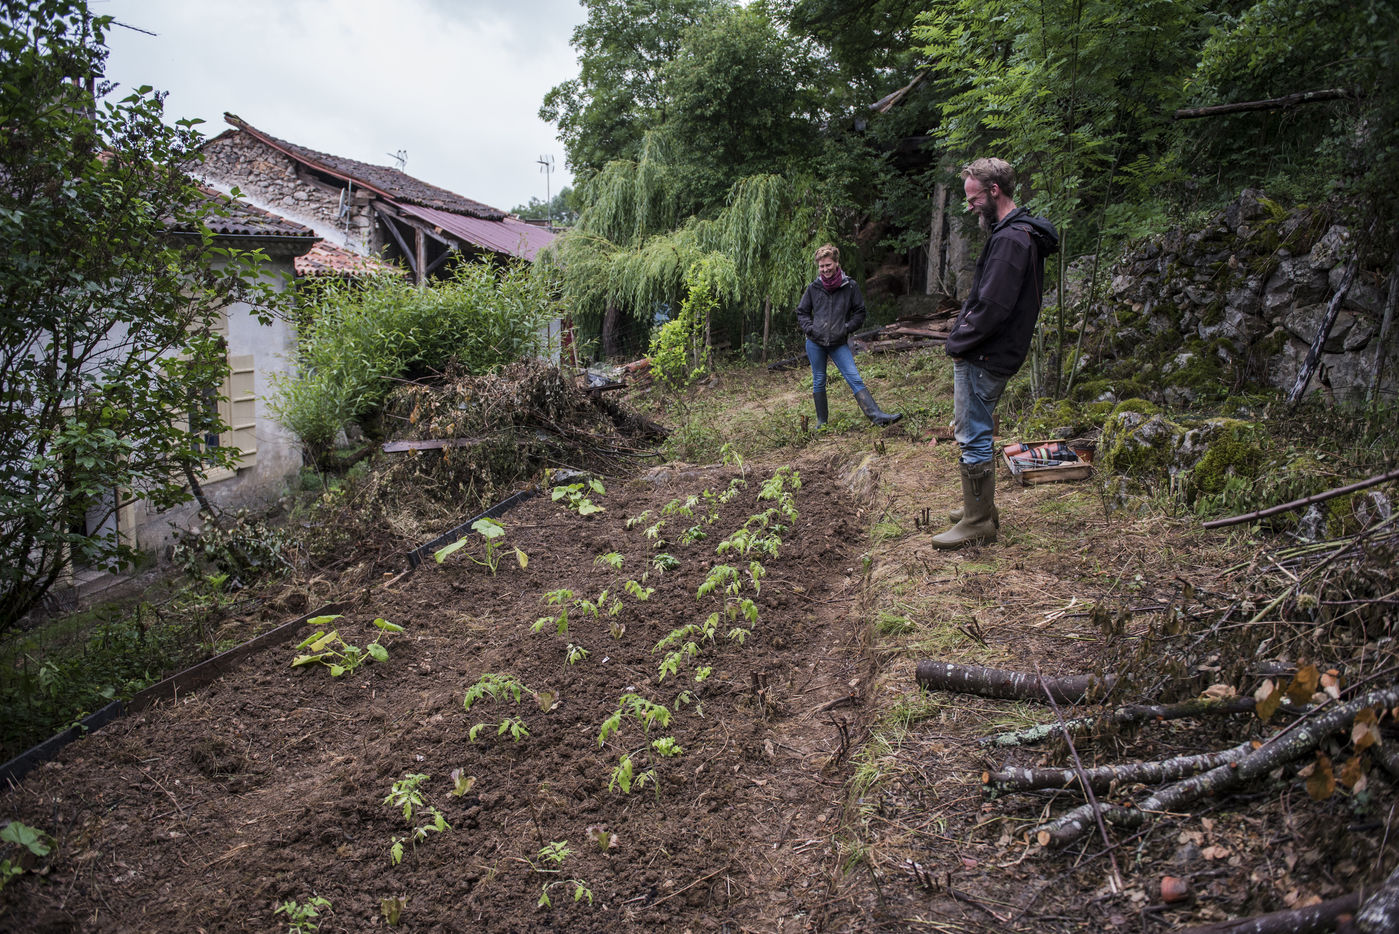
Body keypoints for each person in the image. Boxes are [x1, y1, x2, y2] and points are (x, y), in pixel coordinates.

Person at [932, 158, 1058, 549]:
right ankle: (980, 508)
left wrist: (957, 344)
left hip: (986, 355)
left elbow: (992, 307)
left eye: (973, 199)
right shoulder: (1018, 233)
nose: (970, 207)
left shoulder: (1010, 241)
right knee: (976, 429)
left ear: (994, 191)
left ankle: (978, 522)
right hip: (995, 351)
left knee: (972, 434)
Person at [795, 244, 901, 428]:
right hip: (815, 342)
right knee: (819, 380)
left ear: (836, 263)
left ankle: (877, 417)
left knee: (854, 377)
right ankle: (822, 423)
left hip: (838, 343)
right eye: (821, 266)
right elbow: (802, 312)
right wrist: (811, 329)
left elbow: (860, 312)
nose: (825, 269)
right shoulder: (813, 288)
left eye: (828, 265)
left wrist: (846, 328)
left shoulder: (850, 286)